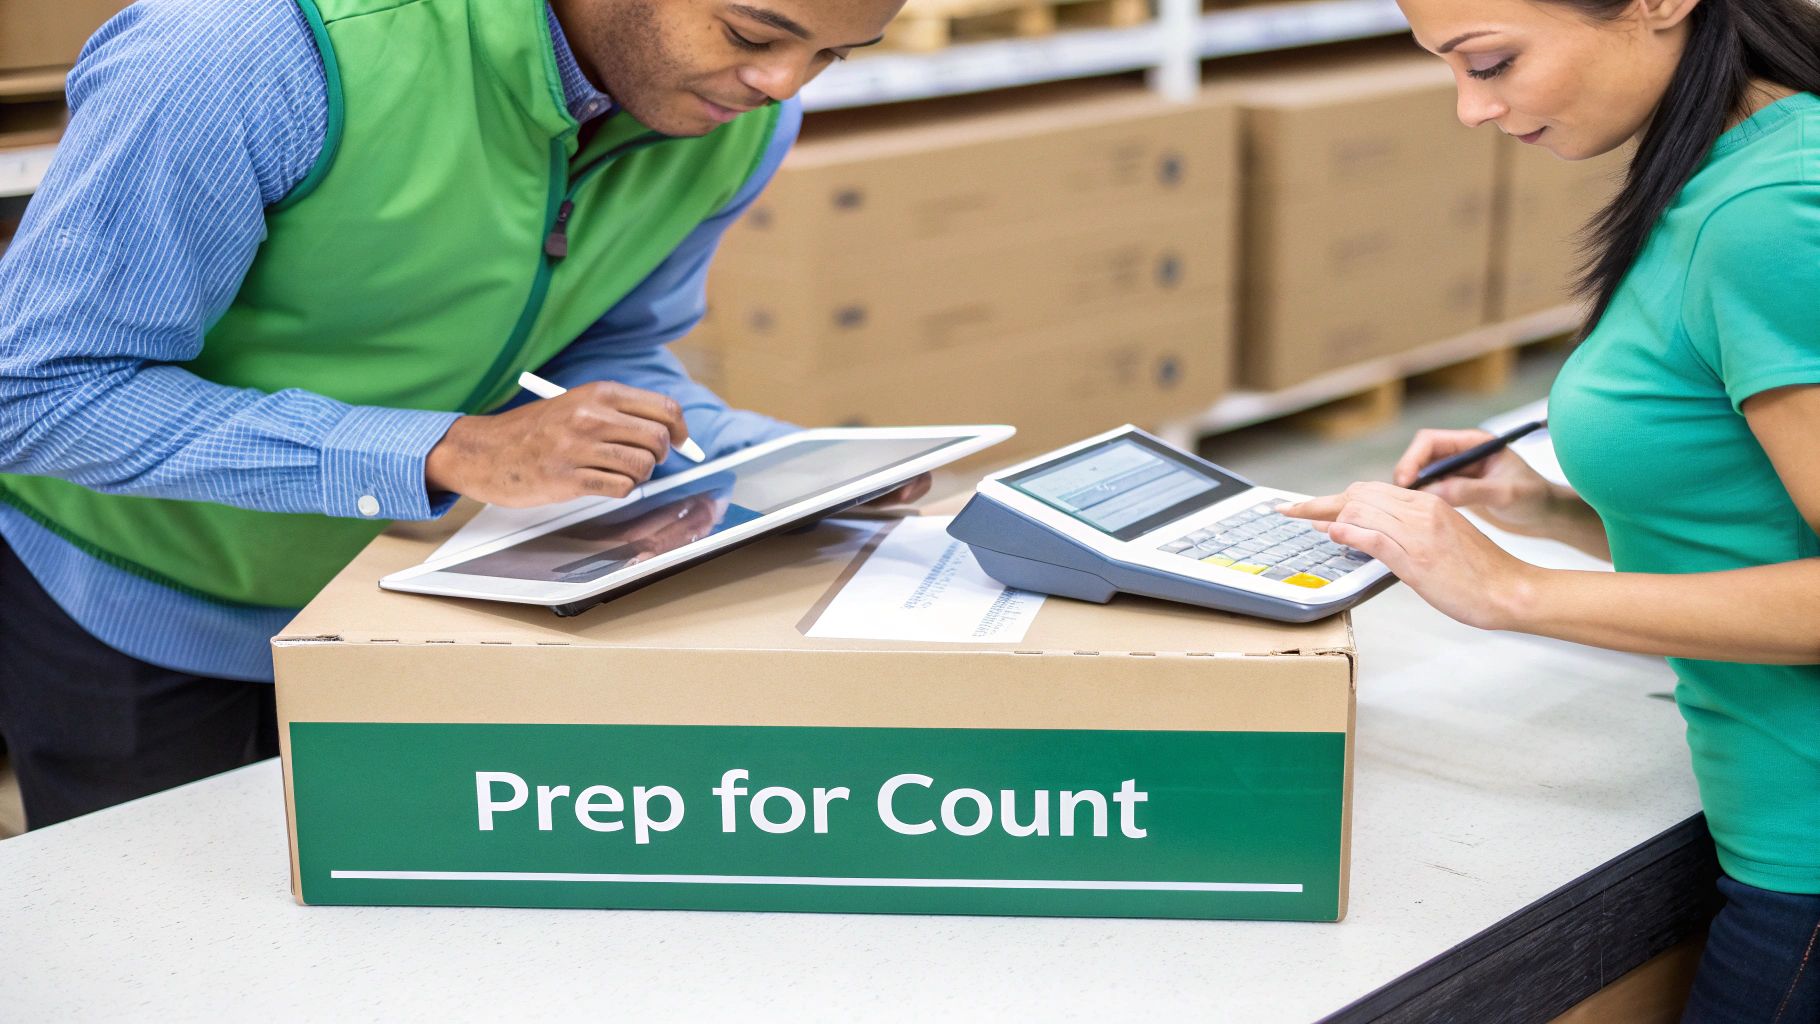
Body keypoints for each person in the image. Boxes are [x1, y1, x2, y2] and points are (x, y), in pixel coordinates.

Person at [0, 0, 914, 830]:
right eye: (752, 35)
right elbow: (38, 389)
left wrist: (780, 465)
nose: (783, 84)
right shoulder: (240, 54)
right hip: (137, 598)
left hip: (394, 605)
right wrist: (444, 447)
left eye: (835, 54)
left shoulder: (734, 122)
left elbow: (595, 343)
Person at [1279, 0, 1820, 1018]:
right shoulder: (1729, 166)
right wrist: (1552, 512)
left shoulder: (1772, 210)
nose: (1468, 108)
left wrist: (1513, 591)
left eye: (1489, 61)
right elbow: (1763, 503)